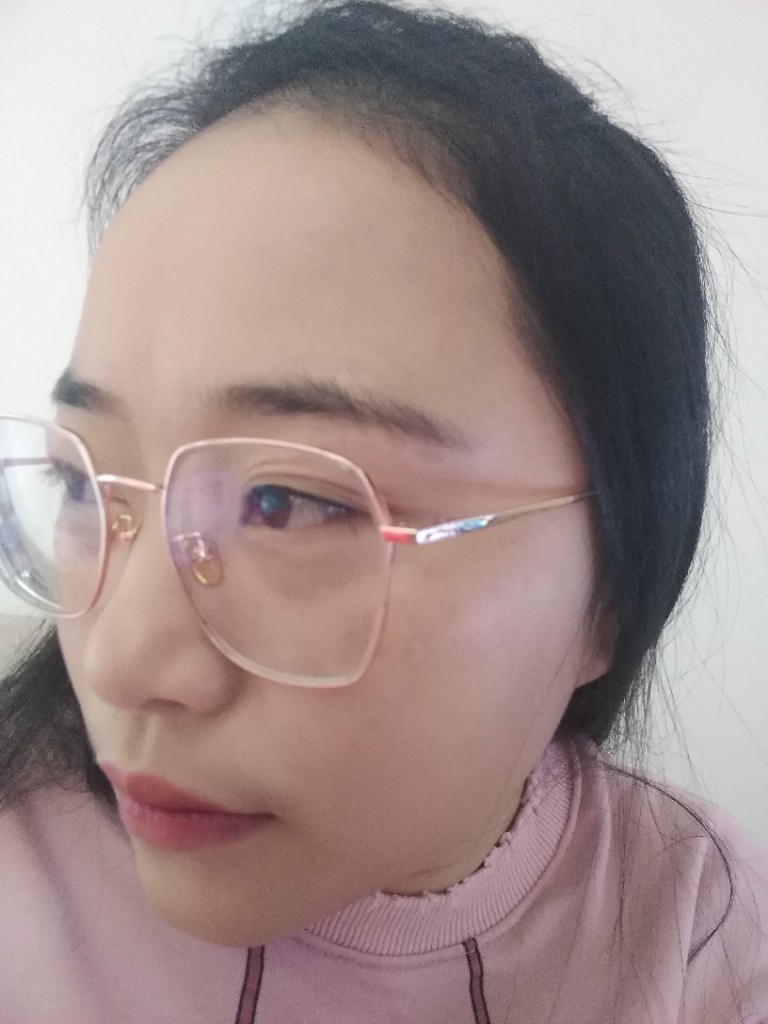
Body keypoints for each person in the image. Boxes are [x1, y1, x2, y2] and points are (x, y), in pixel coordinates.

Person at [0, 0, 766, 1020]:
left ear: (608, 594)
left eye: (287, 502)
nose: (119, 663)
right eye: (80, 483)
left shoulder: (695, 925)